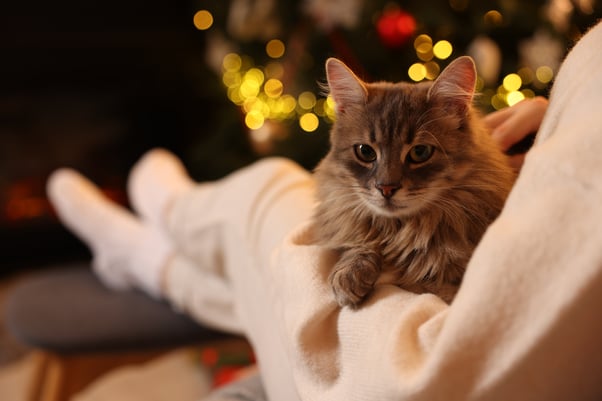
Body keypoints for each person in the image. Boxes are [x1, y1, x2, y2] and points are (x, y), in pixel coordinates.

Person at [47, 21, 602, 401]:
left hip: (386, 364)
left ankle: (169, 219)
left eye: (418, 157)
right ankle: (151, 259)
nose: (386, 183)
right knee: (279, 218)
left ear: (458, 124)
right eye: (365, 154)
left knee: (268, 188)